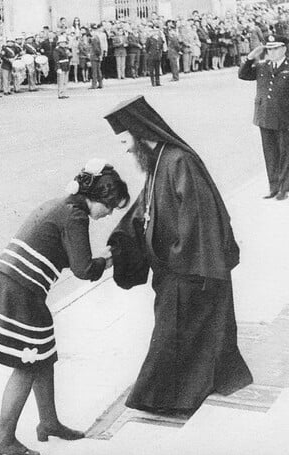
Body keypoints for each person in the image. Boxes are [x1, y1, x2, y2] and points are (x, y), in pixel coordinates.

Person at [0, 160, 129, 455]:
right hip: (19, 291)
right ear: (98, 198)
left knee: (42, 355)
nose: (109, 214)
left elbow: (57, 250)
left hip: (9, 282)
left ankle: (48, 422)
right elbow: (84, 269)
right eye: (111, 207)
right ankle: (3, 439)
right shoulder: (77, 216)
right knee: (26, 363)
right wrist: (107, 259)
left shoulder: (62, 205)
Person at [104, 95, 253, 416]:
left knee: (172, 334)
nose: (126, 149)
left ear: (139, 133)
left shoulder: (179, 161)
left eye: (125, 140)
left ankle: (162, 399)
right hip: (178, 265)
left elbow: (198, 219)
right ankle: (174, 392)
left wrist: (178, 262)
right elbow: (141, 211)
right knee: (178, 334)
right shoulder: (160, 163)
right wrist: (119, 243)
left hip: (194, 267)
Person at [238, 35, 289, 200]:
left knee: (284, 154)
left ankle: (284, 188)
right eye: (269, 49)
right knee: (270, 154)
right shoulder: (262, 66)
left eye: (275, 49)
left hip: (284, 117)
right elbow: (243, 74)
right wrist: (250, 57)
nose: (272, 52)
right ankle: (273, 186)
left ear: (284, 49)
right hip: (264, 116)